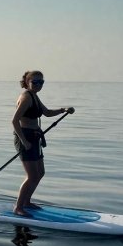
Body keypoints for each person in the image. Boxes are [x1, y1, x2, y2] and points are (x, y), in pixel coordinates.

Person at [11, 70, 74, 216]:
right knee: (32, 176)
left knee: (40, 173)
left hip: (35, 137)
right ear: (27, 82)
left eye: (41, 82)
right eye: (35, 82)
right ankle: (18, 207)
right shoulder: (26, 97)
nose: (38, 85)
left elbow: (46, 113)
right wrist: (24, 141)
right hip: (25, 137)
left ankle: (27, 202)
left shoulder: (34, 96)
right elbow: (14, 121)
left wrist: (63, 109)